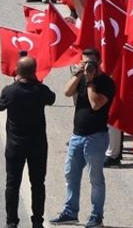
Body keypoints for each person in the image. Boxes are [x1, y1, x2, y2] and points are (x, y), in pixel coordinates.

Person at [50, 49, 114, 228]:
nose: (88, 65)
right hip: (77, 136)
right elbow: (67, 92)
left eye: (91, 62)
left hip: (96, 138)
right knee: (71, 174)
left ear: (99, 62)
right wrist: (79, 75)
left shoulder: (106, 83)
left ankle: (96, 216)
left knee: (95, 178)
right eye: (85, 62)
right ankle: (70, 211)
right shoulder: (81, 78)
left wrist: (91, 81)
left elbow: (95, 105)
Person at [0, 56, 56, 228]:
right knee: (38, 183)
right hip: (37, 145)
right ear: (34, 71)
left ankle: (11, 221)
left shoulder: (11, 91)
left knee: (12, 183)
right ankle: (37, 220)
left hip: (15, 146)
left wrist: (14, 83)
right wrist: (37, 82)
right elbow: (51, 98)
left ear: (17, 70)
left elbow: (0, 105)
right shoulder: (40, 90)